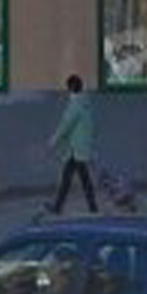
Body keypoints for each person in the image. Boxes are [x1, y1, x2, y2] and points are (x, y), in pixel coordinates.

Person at [45, 73, 97, 215]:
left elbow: (66, 125)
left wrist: (53, 140)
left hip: (76, 149)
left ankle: (91, 207)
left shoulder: (76, 104)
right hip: (80, 147)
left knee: (78, 179)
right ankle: (59, 207)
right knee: (71, 178)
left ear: (70, 88)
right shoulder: (86, 103)